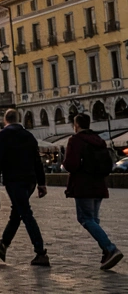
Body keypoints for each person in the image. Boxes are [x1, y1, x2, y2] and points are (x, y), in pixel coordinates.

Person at [62, 112, 121, 270]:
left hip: (83, 186)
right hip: (99, 185)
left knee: (85, 219)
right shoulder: (99, 140)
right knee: (93, 219)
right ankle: (106, 253)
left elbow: (71, 164)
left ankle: (110, 248)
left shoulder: (75, 140)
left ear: (77, 125)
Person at [0, 108, 49, 266]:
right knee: (17, 213)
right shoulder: (28, 136)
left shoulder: (2, 136)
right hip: (30, 181)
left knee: (26, 214)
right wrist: (41, 183)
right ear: (19, 119)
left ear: (5, 120)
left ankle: (40, 252)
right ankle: (3, 244)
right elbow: (37, 161)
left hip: (14, 180)